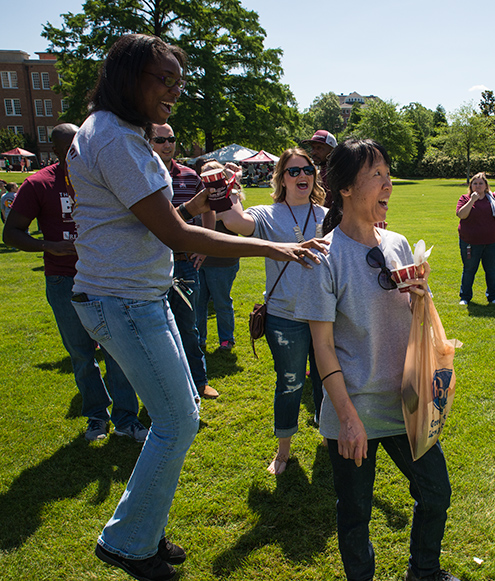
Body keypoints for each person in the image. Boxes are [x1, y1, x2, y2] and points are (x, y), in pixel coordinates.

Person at [66, 33, 326, 581]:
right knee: (178, 422)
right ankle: (129, 542)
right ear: (129, 76)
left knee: (175, 415)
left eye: (179, 82)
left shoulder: (114, 134)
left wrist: (205, 201)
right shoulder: (115, 139)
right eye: (165, 79)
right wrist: (272, 246)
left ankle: (144, 532)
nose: (175, 93)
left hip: (136, 297)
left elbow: (151, 219)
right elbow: (178, 236)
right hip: (125, 301)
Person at [296, 139, 458, 581]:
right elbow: (322, 347)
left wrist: (422, 300)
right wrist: (347, 419)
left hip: (406, 401)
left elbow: (413, 320)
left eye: (388, 174)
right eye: (377, 176)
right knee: (354, 513)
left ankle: (423, 572)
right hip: (355, 409)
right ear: (346, 187)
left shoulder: (400, 243)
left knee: (436, 491)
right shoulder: (322, 257)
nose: (388, 184)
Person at [2, 124, 147, 443]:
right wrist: (46, 245)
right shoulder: (39, 183)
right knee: (82, 353)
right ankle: (97, 417)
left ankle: (126, 418)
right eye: (69, 149)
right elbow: (11, 232)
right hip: (63, 278)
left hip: (107, 277)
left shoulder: (102, 177)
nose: (77, 153)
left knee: (119, 351)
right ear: (54, 150)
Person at [216, 149, 327, 475]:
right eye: (293, 172)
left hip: (325, 316)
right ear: (281, 179)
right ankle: (283, 451)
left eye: (307, 170)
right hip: (286, 317)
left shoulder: (328, 214)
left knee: (327, 380)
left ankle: (327, 434)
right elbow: (235, 223)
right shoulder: (267, 213)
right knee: (290, 383)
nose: (301, 176)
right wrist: (226, 194)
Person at [150, 123, 219, 399]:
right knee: (156, 329)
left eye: (171, 139)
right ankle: (165, 389)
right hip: (151, 264)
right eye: (160, 139)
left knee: (189, 326)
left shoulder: (190, 176)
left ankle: (199, 381)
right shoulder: (144, 174)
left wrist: (204, 245)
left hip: (184, 263)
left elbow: (209, 210)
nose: (167, 144)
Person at [195, 163, 242, 352]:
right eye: (205, 177)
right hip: (200, 258)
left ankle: (226, 339)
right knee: (199, 304)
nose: (209, 180)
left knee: (221, 302)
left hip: (222, 260)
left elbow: (230, 219)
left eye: (213, 176)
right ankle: (199, 339)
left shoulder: (232, 195)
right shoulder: (199, 195)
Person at [455, 172, 495, 305]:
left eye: (481, 183)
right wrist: (472, 200)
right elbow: (461, 215)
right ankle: (465, 297)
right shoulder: (465, 198)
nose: (478, 186)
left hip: (492, 242)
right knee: (469, 269)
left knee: (491, 270)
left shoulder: (494, 198)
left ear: (486, 186)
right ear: (471, 186)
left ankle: (493, 296)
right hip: (470, 242)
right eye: (475, 183)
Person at [303, 129, 338, 207]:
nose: (313, 152)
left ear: (332, 150)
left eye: (319, 148)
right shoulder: (321, 172)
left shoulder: (336, 174)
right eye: (313, 148)